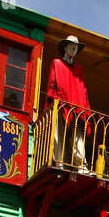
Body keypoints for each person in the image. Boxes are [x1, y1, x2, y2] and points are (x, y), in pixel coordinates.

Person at [46, 34, 91, 169]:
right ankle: (59, 163)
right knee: (58, 133)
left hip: (76, 106)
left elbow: (83, 90)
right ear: (65, 48)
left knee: (78, 136)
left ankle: (81, 165)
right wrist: (55, 101)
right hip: (60, 104)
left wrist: (85, 107)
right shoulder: (57, 63)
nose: (74, 49)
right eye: (71, 46)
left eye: (76, 47)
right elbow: (52, 84)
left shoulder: (78, 69)